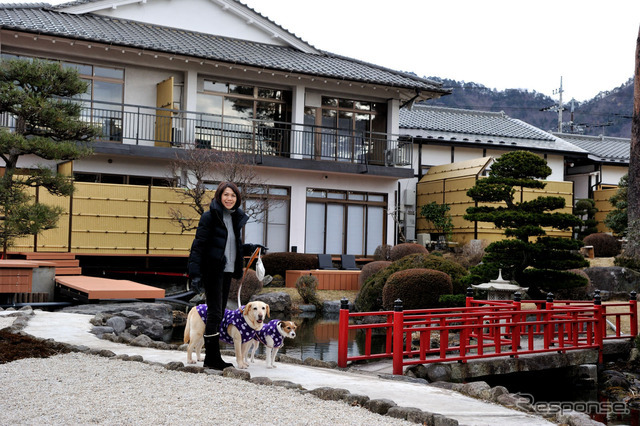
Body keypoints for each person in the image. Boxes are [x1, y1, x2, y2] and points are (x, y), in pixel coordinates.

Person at [187, 181, 265, 370]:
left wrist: (251, 248)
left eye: (233, 195)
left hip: (228, 271)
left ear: (237, 198)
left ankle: (212, 357)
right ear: (219, 196)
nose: (229, 198)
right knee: (214, 313)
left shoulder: (234, 218)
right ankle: (212, 358)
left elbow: (232, 246)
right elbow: (198, 246)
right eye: (226, 195)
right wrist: (195, 274)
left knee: (220, 313)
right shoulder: (209, 217)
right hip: (212, 270)